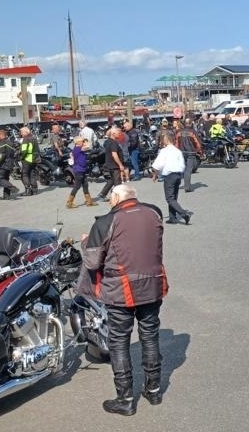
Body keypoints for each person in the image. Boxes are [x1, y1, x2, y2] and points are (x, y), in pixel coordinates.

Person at [78, 184, 168, 416]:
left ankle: (126, 398)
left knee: (119, 341)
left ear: (117, 197)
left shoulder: (106, 222)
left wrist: (86, 242)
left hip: (122, 289)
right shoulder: (154, 212)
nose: (109, 202)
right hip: (153, 284)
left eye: (111, 197)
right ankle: (154, 389)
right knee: (150, 335)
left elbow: (92, 262)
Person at [151, 132, 192, 225]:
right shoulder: (178, 151)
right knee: (174, 197)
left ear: (166, 140)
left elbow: (158, 164)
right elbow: (182, 164)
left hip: (169, 175)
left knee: (169, 198)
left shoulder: (164, 151)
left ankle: (183, 213)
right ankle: (172, 217)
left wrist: (155, 174)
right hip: (178, 175)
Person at [96, 127, 128, 201]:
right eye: (118, 133)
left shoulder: (107, 141)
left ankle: (102, 194)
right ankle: (117, 198)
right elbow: (114, 154)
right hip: (114, 165)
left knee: (111, 180)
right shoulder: (113, 142)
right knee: (117, 182)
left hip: (109, 164)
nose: (120, 134)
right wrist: (120, 165)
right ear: (113, 134)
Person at [66, 136, 96, 208]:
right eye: (82, 141)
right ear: (78, 142)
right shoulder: (77, 149)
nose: (83, 142)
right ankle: (69, 202)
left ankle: (89, 201)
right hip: (78, 170)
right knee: (77, 186)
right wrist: (86, 141)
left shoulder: (79, 148)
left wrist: (84, 141)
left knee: (85, 185)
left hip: (82, 169)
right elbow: (88, 146)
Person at [175, 119, 203, 192]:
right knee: (188, 170)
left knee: (182, 169)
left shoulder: (179, 132)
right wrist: (198, 151)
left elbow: (176, 143)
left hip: (182, 152)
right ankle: (187, 187)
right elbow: (198, 143)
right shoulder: (192, 132)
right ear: (190, 124)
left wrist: (177, 151)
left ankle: (179, 184)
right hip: (190, 152)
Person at [0, 128, 20, 200]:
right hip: (10, 164)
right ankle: (6, 196)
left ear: (0, 135)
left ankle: (12, 188)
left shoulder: (2, 144)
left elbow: (1, 155)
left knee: (0, 178)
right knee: (6, 179)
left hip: (3, 164)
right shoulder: (10, 143)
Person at [18, 127, 40, 196]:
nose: (21, 134)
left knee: (24, 174)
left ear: (26, 132)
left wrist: (20, 157)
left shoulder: (26, 139)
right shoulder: (34, 138)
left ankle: (28, 191)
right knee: (32, 174)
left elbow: (24, 151)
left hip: (27, 159)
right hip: (35, 159)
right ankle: (35, 190)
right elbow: (38, 150)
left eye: (22, 132)